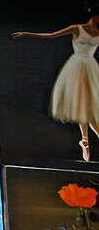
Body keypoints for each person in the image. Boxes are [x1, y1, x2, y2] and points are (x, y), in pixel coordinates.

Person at [14, 12, 99, 160]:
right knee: (81, 104)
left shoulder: (98, 32)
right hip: (77, 67)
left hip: (91, 67)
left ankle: (85, 140)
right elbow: (52, 35)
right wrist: (27, 34)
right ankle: (84, 139)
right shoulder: (77, 28)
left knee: (90, 106)